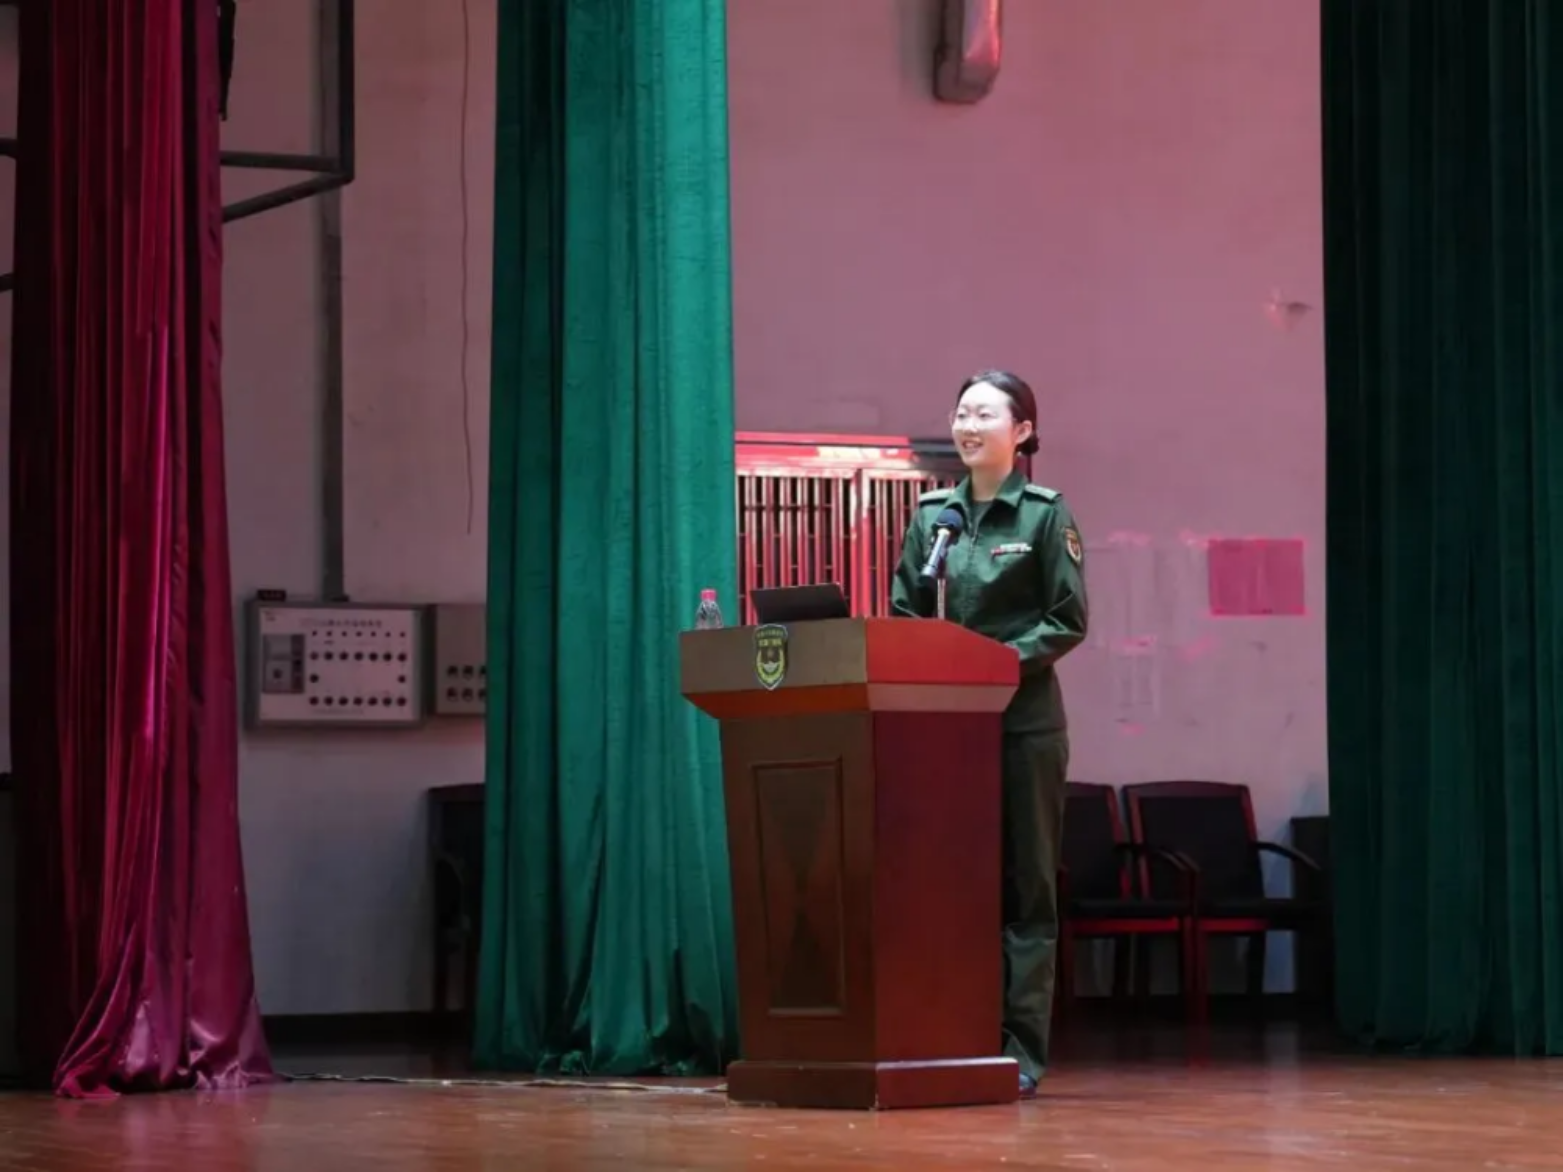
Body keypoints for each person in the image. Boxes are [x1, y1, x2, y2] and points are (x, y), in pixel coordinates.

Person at [889, 369, 1088, 1099]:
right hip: (945, 734)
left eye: (984, 415)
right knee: (947, 883)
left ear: (1022, 431)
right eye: (961, 414)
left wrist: (994, 664)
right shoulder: (931, 517)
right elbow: (905, 613)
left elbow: (1066, 620)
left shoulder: (1044, 515)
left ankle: (1020, 1050)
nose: (968, 427)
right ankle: (949, 1032)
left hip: (1023, 726)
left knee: (1026, 888)